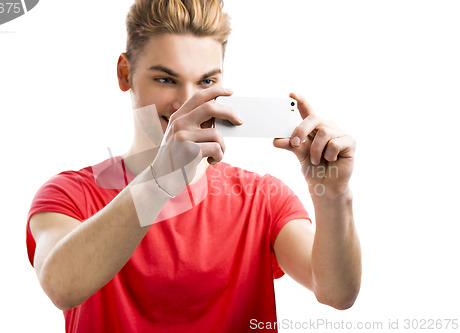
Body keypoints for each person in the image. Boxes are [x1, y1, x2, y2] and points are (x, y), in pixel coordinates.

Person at [26, 0, 361, 332]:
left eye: (204, 83)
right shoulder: (70, 194)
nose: (186, 103)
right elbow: (61, 286)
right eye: (166, 80)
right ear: (125, 73)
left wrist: (334, 195)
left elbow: (336, 292)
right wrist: (158, 180)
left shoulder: (263, 198)